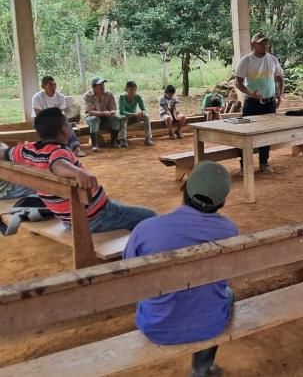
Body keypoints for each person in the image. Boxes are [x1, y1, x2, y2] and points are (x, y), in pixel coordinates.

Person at [123, 161, 238, 377]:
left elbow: (129, 273)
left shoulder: (146, 228)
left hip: (155, 326)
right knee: (227, 294)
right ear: (222, 203)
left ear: (182, 187)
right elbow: (227, 277)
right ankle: (201, 369)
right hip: (209, 325)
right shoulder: (229, 230)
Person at [1, 108, 156, 232]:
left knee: (122, 209)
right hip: (94, 218)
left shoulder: (26, 150)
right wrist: (78, 172)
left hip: (69, 218)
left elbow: (3, 153)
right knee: (150, 216)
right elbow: (57, 164)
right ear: (64, 130)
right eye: (69, 125)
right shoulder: (59, 151)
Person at [234, 32, 285, 173]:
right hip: (251, 103)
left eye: (266, 43)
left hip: (269, 103)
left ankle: (264, 163)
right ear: (253, 45)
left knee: (266, 134)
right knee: (246, 133)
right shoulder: (246, 61)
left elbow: (280, 79)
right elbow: (238, 82)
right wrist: (251, 94)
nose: (265, 46)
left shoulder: (273, 59)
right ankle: (245, 165)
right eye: (261, 43)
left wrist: (280, 95)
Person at [32, 76, 85, 157]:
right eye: (50, 85)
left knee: (67, 127)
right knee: (51, 130)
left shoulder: (60, 96)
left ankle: (76, 148)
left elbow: (60, 114)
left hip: (54, 120)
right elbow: (39, 115)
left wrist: (63, 123)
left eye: (54, 85)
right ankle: (52, 151)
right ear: (43, 87)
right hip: (41, 121)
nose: (53, 87)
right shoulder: (37, 97)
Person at [84, 76, 120, 152]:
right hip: (91, 118)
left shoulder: (109, 94)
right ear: (93, 87)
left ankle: (114, 141)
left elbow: (113, 108)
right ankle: (95, 145)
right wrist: (103, 113)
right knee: (95, 119)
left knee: (116, 119)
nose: (102, 86)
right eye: (100, 85)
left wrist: (112, 112)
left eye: (103, 84)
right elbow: (90, 111)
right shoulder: (88, 95)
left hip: (106, 117)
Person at [117, 81, 153, 148]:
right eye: (131, 89)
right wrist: (134, 114)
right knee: (123, 117)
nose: (133, 92)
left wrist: (142, 113)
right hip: (125, 118)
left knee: (146, 117)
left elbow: (143, 109)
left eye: (135, 89)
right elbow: (122, 111)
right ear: (126, 90)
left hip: (133, 117)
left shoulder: (138, 97)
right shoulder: (122, 97)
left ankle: (148, 138)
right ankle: (122, 139)